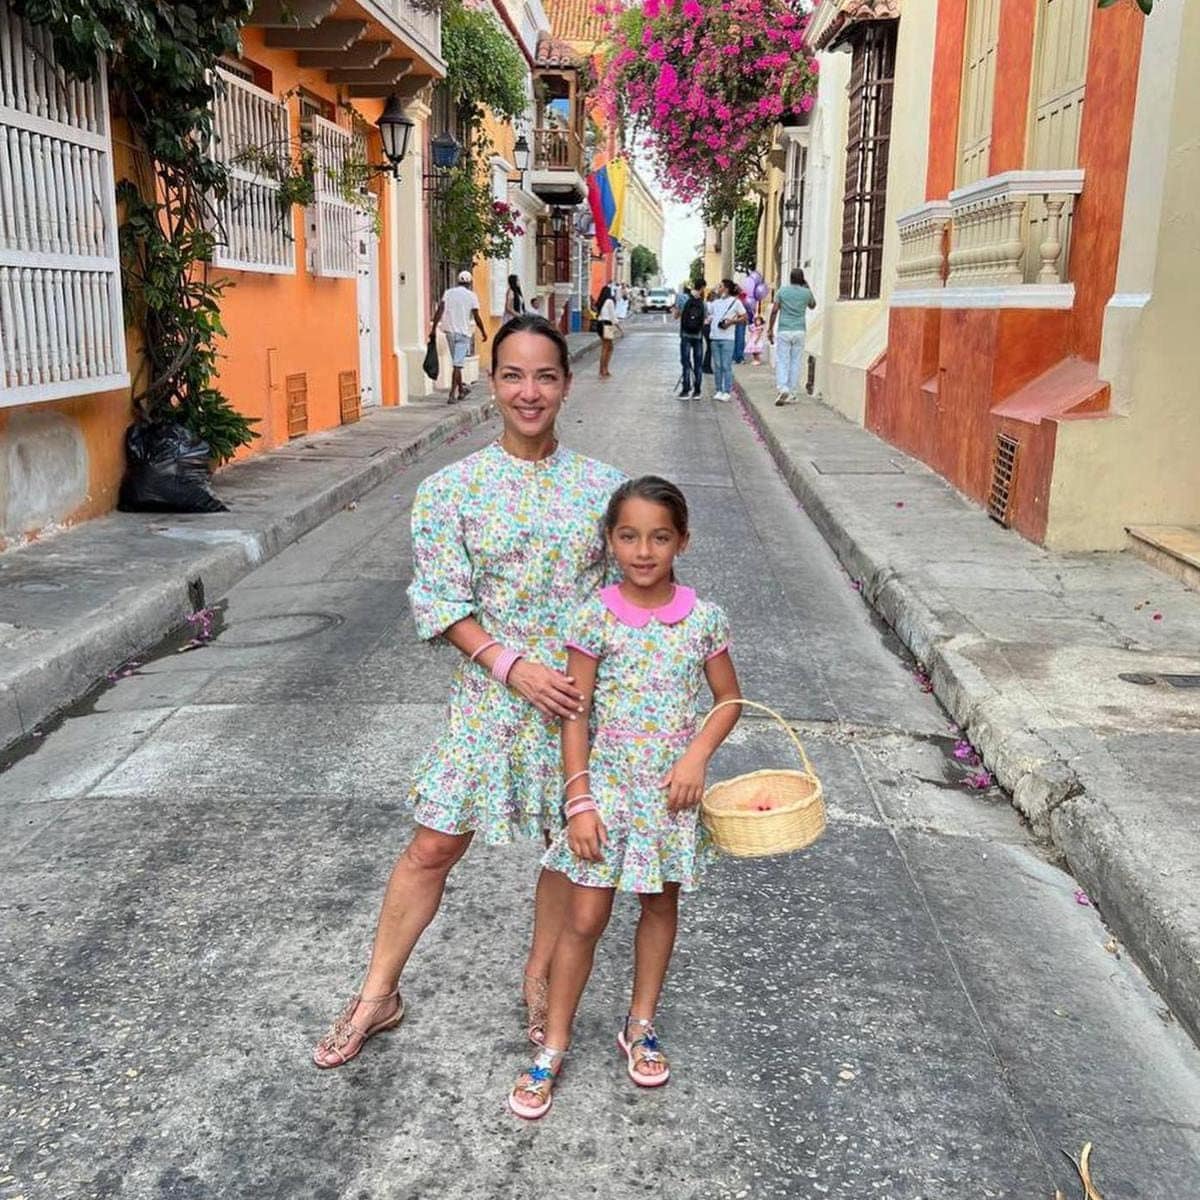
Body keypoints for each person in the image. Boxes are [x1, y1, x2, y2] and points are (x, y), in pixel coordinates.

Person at [312, 314, 626, 1069]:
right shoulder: (450, 490)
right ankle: (376, 995)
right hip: (491, 697)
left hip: (574, 706)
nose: (529, 391)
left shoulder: (604, 489)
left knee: (565, 844)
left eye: (545, 376)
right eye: (513, 376)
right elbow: (442, 600)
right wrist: (512, 667)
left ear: (566, 385)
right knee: (433, 844)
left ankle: (541, 979)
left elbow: (625, 601)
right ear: (492, 384)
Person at [507, 475, 743, 1119]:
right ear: (610, 541)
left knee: (659, 908)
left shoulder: (703, 618)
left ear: (682, 542)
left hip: (670, 799)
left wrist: (696, 756)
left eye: (659, 537)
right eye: (630, 536)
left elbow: (729, 700)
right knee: (584, 920)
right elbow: (574, 712)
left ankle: (640, 1025)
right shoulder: (593, 616)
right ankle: (552, 1046)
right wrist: (577, 798)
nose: (644, 550)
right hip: (606, 795)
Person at [430, 270, 489, 404]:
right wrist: (483, 331)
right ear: (470, 283)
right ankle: (452, 394)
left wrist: (434, 328)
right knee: (457, 364)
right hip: (463, 334)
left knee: (457, 363)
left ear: (458, 281)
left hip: (449, 332)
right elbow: (476, 316)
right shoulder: (471, 296)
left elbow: (440, 310)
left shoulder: (449, 293)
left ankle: (461, 390)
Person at [767, 268, 817, 406]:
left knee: (783, 360)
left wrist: (770, 329)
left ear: (790, 278)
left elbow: (775, 310)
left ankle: (783, 388)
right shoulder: (806, 293)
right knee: (795, 361)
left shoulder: (782, 291)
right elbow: (813, 306)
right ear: (802, 279)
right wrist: (807, 288)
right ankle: (793, 393)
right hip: (800, 330)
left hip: (784, 330)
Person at [707, 279, 747, 402]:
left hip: (728, 338)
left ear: (726, 289)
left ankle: (727, 390)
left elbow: (744, 318)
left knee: (726, 365)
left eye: (720, 286)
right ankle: (719, 389)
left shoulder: (736, 302)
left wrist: (732, 322)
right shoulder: (715, 302)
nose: (718, 288)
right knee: (717, 365)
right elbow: (708, 312)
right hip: (715, 337)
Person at [674, 278, 707, 400]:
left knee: (686, 363)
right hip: (698, 336)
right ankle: (697, 391)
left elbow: (676, 316)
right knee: (698, 364)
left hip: (685, 335)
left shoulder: (682, 298)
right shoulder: (703, 303)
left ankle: (685, 390)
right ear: (702, 288)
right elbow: (705, 319)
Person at [595, 284, 617, 379]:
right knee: (608, 347)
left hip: (599, 324)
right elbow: (612, 316)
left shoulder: (601, 302)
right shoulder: (610, 301)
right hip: (607, 324)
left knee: (606, 347)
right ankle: (604, 369)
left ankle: (602, 369)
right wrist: (617, 325)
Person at [732, 282, 749, 365]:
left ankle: (738, 357)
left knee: (739, 339)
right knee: (737, 339)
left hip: (740, 321)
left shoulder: (742, 298)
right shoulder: (736, 299)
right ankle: (736, 357)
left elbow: (747, 309)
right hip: (735, 321)